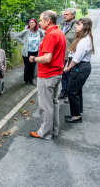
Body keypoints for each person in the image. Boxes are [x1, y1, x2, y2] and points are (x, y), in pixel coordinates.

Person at [28, 10, 66, 140]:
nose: (39, 22)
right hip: (57, 74)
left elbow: (47, 58)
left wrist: (34, 59)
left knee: (45, 106)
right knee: (54, 104)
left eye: (40, 20)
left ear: (48, 20)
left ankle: (44, 133)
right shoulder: (60, 33)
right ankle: (54, 130)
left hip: (47, 75)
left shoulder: (51, 35)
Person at [63, 18, 94, 123]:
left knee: (72, 91)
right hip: (78, 66)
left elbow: (76, 59)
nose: (76, 26)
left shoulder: (85, 40)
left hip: (80, 67)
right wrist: (67, 64)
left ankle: (76, 116)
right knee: (77, 91)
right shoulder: (81, 38)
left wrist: (67, 68)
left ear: (84, 27)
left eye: (78, 25)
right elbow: (71, 54)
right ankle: (77, 113)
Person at [14, 18, 43, 85]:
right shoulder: (26, 31)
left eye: (33, 22)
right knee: (27, 66)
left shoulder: (39, 31)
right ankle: (26, 80)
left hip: (35, 52)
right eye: (30, 23)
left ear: (36, 23)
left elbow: (44, 36)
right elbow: (17, 36)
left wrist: (41, 42)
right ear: (29, 24)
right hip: (27, 52)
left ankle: (31, 80)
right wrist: (23, 42)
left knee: (33, 66)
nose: (31, 24)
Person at [59, 8, 77, 99]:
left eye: (67, 14)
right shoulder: (62, 24)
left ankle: (70, 93)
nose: (64, 15)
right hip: (62, 54)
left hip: (71, 55)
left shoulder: (77, 26)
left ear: (73, 15)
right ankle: (64, 91)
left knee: (69, 75)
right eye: (64, 14)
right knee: (63, 74)